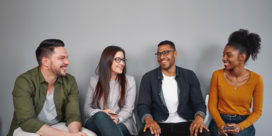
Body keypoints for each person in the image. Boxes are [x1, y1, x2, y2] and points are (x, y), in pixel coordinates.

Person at [7, 39, 95, 136]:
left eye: (67, 58)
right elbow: (27, 121)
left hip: (56, 125)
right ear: (45, 62)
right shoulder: (24, 81)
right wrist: (67, 135)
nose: (67, 62)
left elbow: (73, 115)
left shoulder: (70, 81)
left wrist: (75, 134)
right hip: (28, 129)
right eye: (62, 58)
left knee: (89, 135)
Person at [137, 40, 210, 136]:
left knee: (203, 134)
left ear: (175, 54)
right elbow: (143, 105)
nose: (162, 57)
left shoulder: (189, 75)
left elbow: (198, 103)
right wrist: (149, 120)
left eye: (166, 52)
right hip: (159, 124)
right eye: (159, 54)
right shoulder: (148, 78)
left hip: (186, 123)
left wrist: (199, 118)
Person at [208, 29, 263, 136]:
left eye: (228, 55)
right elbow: (212, 105)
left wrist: (240, 126)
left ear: (242, 57)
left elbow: (257, 112)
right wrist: (220, 124)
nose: (223, 59)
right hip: (220, 120)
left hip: (243, 122)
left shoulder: (257, 79)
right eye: (223, 55)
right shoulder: (217, 75)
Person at [84, 46, 137, 136]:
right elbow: (86, 108)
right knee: (101, 116)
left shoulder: (130, 81)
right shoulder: (94, 80)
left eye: (123, 60)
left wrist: (117, 119)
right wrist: (102, 114)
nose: (122, 63)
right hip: (96, 122)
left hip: (121, 121)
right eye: (118, 59)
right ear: (107, 60)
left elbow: (128, 109)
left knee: (110, 129)